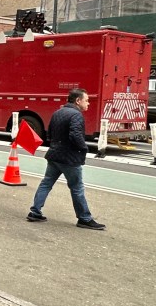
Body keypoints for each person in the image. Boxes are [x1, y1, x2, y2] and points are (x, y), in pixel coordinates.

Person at [27, 88, 106, 230]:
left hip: (54, 155)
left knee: (46, 183)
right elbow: (75, 135)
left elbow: (49, 134)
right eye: (86, 100)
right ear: (78, 101)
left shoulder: (57, 112)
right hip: (70, 158)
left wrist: (56, 146)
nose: (88, 103)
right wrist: (84, 148)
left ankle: (35, 212)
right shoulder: (76, 115)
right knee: (77, 188)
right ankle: (84, 218)